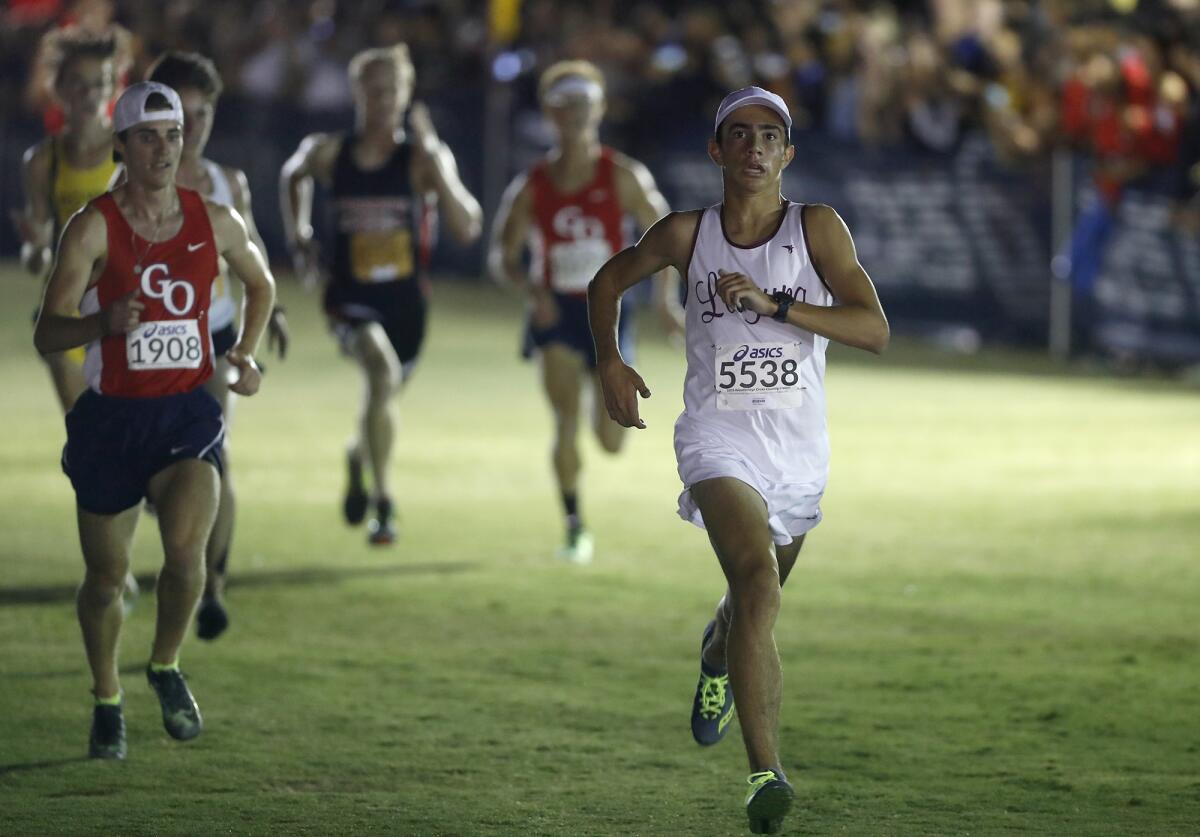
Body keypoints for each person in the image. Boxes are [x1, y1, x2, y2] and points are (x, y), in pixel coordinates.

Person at [588, 87, 889, 833]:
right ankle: (766, 774)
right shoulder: (687, 234)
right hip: (717, 439)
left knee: (752, 600)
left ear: (788, 154)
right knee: (756, 581)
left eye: (770, 136)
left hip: (797, 448)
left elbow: (874, 329)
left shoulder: (816, 228)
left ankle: (715, 656)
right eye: (739, 135)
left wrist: (774, 306)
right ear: (716, 152)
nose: (755, 147)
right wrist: (611, 364)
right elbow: (605, 281)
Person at [34, 81, 277, 760]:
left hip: (184, 416)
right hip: (110, 423)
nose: (165, 148)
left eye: (173, 134)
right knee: (107, 579)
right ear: (122, 145)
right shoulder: (92, 225)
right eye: (148, 136)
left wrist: (246, 353)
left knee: (185, 553)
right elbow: (47, 334)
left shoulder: (215, 219)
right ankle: (107, 697)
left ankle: (166, 664)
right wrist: (99, 322)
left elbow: (260, 281)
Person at [280, 44, 482, 545]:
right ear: (356, 93)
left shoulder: (421, 160)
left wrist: (438, 164)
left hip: (407, 304)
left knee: (382, 393)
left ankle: (357, 455)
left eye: (392, 89)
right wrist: (299, 233)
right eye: (373, 89)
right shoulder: (332, 152)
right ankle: (384, 503)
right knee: (380, 370)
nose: (383, 99)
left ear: (407, 95)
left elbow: (468, 227)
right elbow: (293, 173)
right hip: (350, 296)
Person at [490, 60, 680, 564]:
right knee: (563, 421)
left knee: (611, 440)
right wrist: (533, 294)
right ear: (550, 113)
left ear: (599, 110)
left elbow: (667, 237)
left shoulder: (622, 175)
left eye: (584, 105)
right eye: (565, 106)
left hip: (610, 318)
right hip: (555, 314)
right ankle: (574, 523)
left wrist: (666, 301)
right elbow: (501, 255)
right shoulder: (532, 185)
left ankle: (594, 471)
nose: (574, 115)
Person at [146, 51, 290, 641]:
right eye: (185, 113)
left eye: (204, 114)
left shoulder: (228, 183)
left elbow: (250, 250)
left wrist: (272, 309)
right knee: (155, 469)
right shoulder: (133, 179)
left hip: (214, 336)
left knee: (213, 455)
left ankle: (214, 585)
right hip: (149, 343)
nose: (197, 127)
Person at [15, 29, 121, 413]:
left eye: (101, 83)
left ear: (114, 87)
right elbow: (38, 259)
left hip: (123, 306)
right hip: (68, 309)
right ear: (59, 89)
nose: (91, 94)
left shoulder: (131, 150)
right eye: (79, 84)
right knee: (86, 434)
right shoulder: (44, 161)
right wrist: (37, 245)